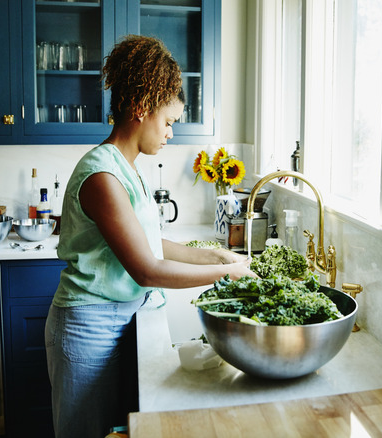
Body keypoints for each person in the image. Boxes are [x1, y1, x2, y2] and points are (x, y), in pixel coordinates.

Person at [44, 35, 255, 437]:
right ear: (141, 109)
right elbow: (147, 269)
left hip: (120, 321)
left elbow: (153, 245)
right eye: (169, 121)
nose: (171, 133)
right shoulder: (102, 176)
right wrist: (229, 277)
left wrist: (219, 257)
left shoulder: (127, 166)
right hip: (88, 330)